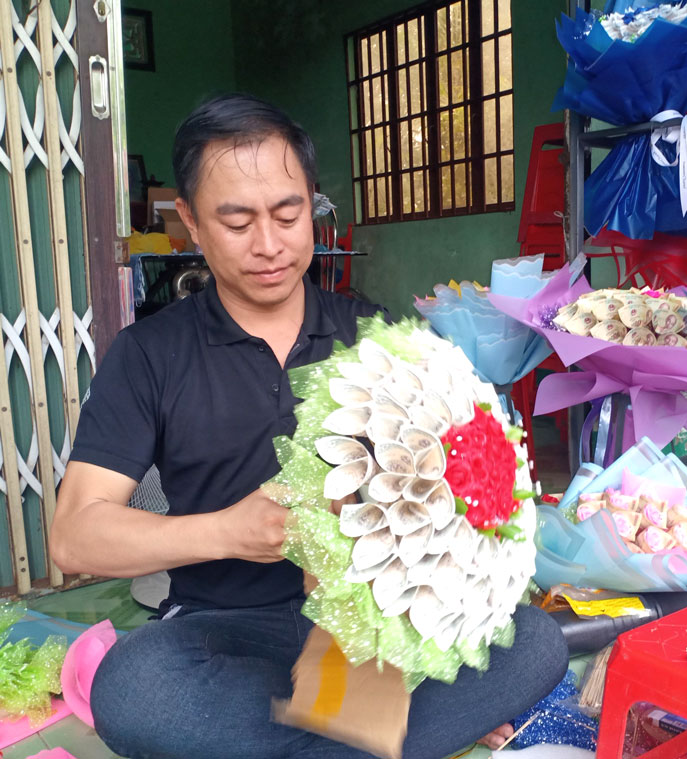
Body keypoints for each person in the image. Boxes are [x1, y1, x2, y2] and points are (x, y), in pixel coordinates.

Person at [51, 94, 567, 759]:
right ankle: (384, 734)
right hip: (224, 635)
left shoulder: (377, 336)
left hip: (369, 632)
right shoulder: (149, 353)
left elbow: (457, 499)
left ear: (312, 207)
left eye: (288, 215)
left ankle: (344, 732)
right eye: (236, 221)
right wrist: (228, 531)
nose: (268, 245)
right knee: (133, 689)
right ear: (192, 222)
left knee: (535, 643)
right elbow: (75, 537)